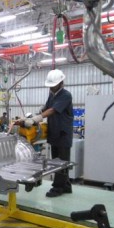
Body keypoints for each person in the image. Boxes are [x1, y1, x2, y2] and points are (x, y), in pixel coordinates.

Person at [15, 69, 73, 197]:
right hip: (55, 133)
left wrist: (37, 118)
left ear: (61, 83)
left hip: (63, 134)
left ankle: (58, 188)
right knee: (58, 160)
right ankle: (66, 185)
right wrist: (30, 117)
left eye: (54, 85)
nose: (51, 88)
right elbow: (47, 107)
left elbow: (52, 110)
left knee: (60, 162)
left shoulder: (65, 95)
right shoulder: (52, 95)